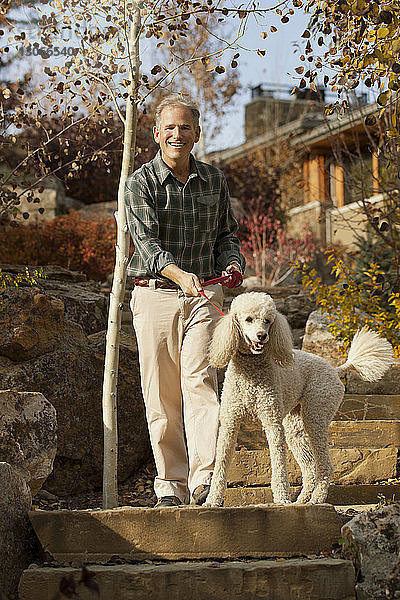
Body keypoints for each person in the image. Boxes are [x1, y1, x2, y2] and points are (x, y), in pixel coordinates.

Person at [124, 94, 245, 507]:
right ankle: (170, 483)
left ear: (196, 133)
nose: (178, 134)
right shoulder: (139, 183)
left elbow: (227, 235)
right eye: (169, 128)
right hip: (155, 294)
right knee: (160, 393)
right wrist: (177, 274)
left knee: (200, 382)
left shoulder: (214, 180)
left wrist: (232, 263)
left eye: (185, 127)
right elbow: (147, 245)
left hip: (204, 296)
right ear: (156, 134)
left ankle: (206, 479)